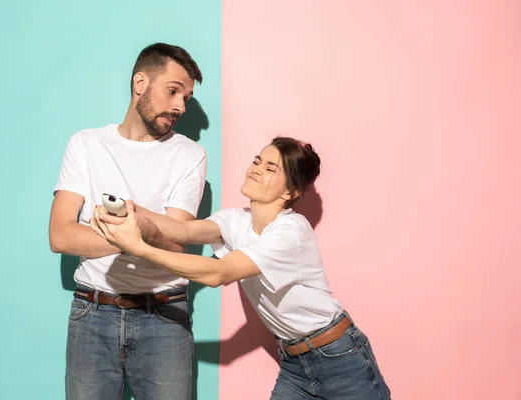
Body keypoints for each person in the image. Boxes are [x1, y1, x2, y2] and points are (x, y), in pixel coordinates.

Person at [91, 137, 392, 399]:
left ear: (290, 192)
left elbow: (217, 274)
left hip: (340, 357)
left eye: (270, 168)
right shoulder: (235, 220)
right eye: (257, 161)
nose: (256, 169)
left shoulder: (290, 231)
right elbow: (182, 232)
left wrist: (138, 247)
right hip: (294, 362)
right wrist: (131, 207)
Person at [48, 42, 206, 400]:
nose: (180, 105)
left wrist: (112, 232)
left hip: (165, 315)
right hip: (93, 313)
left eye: (187, 97)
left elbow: (176, 243)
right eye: (173, 91)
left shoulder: (189, 155)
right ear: (140, 84)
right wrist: (139, 234)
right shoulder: (86, 144)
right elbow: (60, 235)